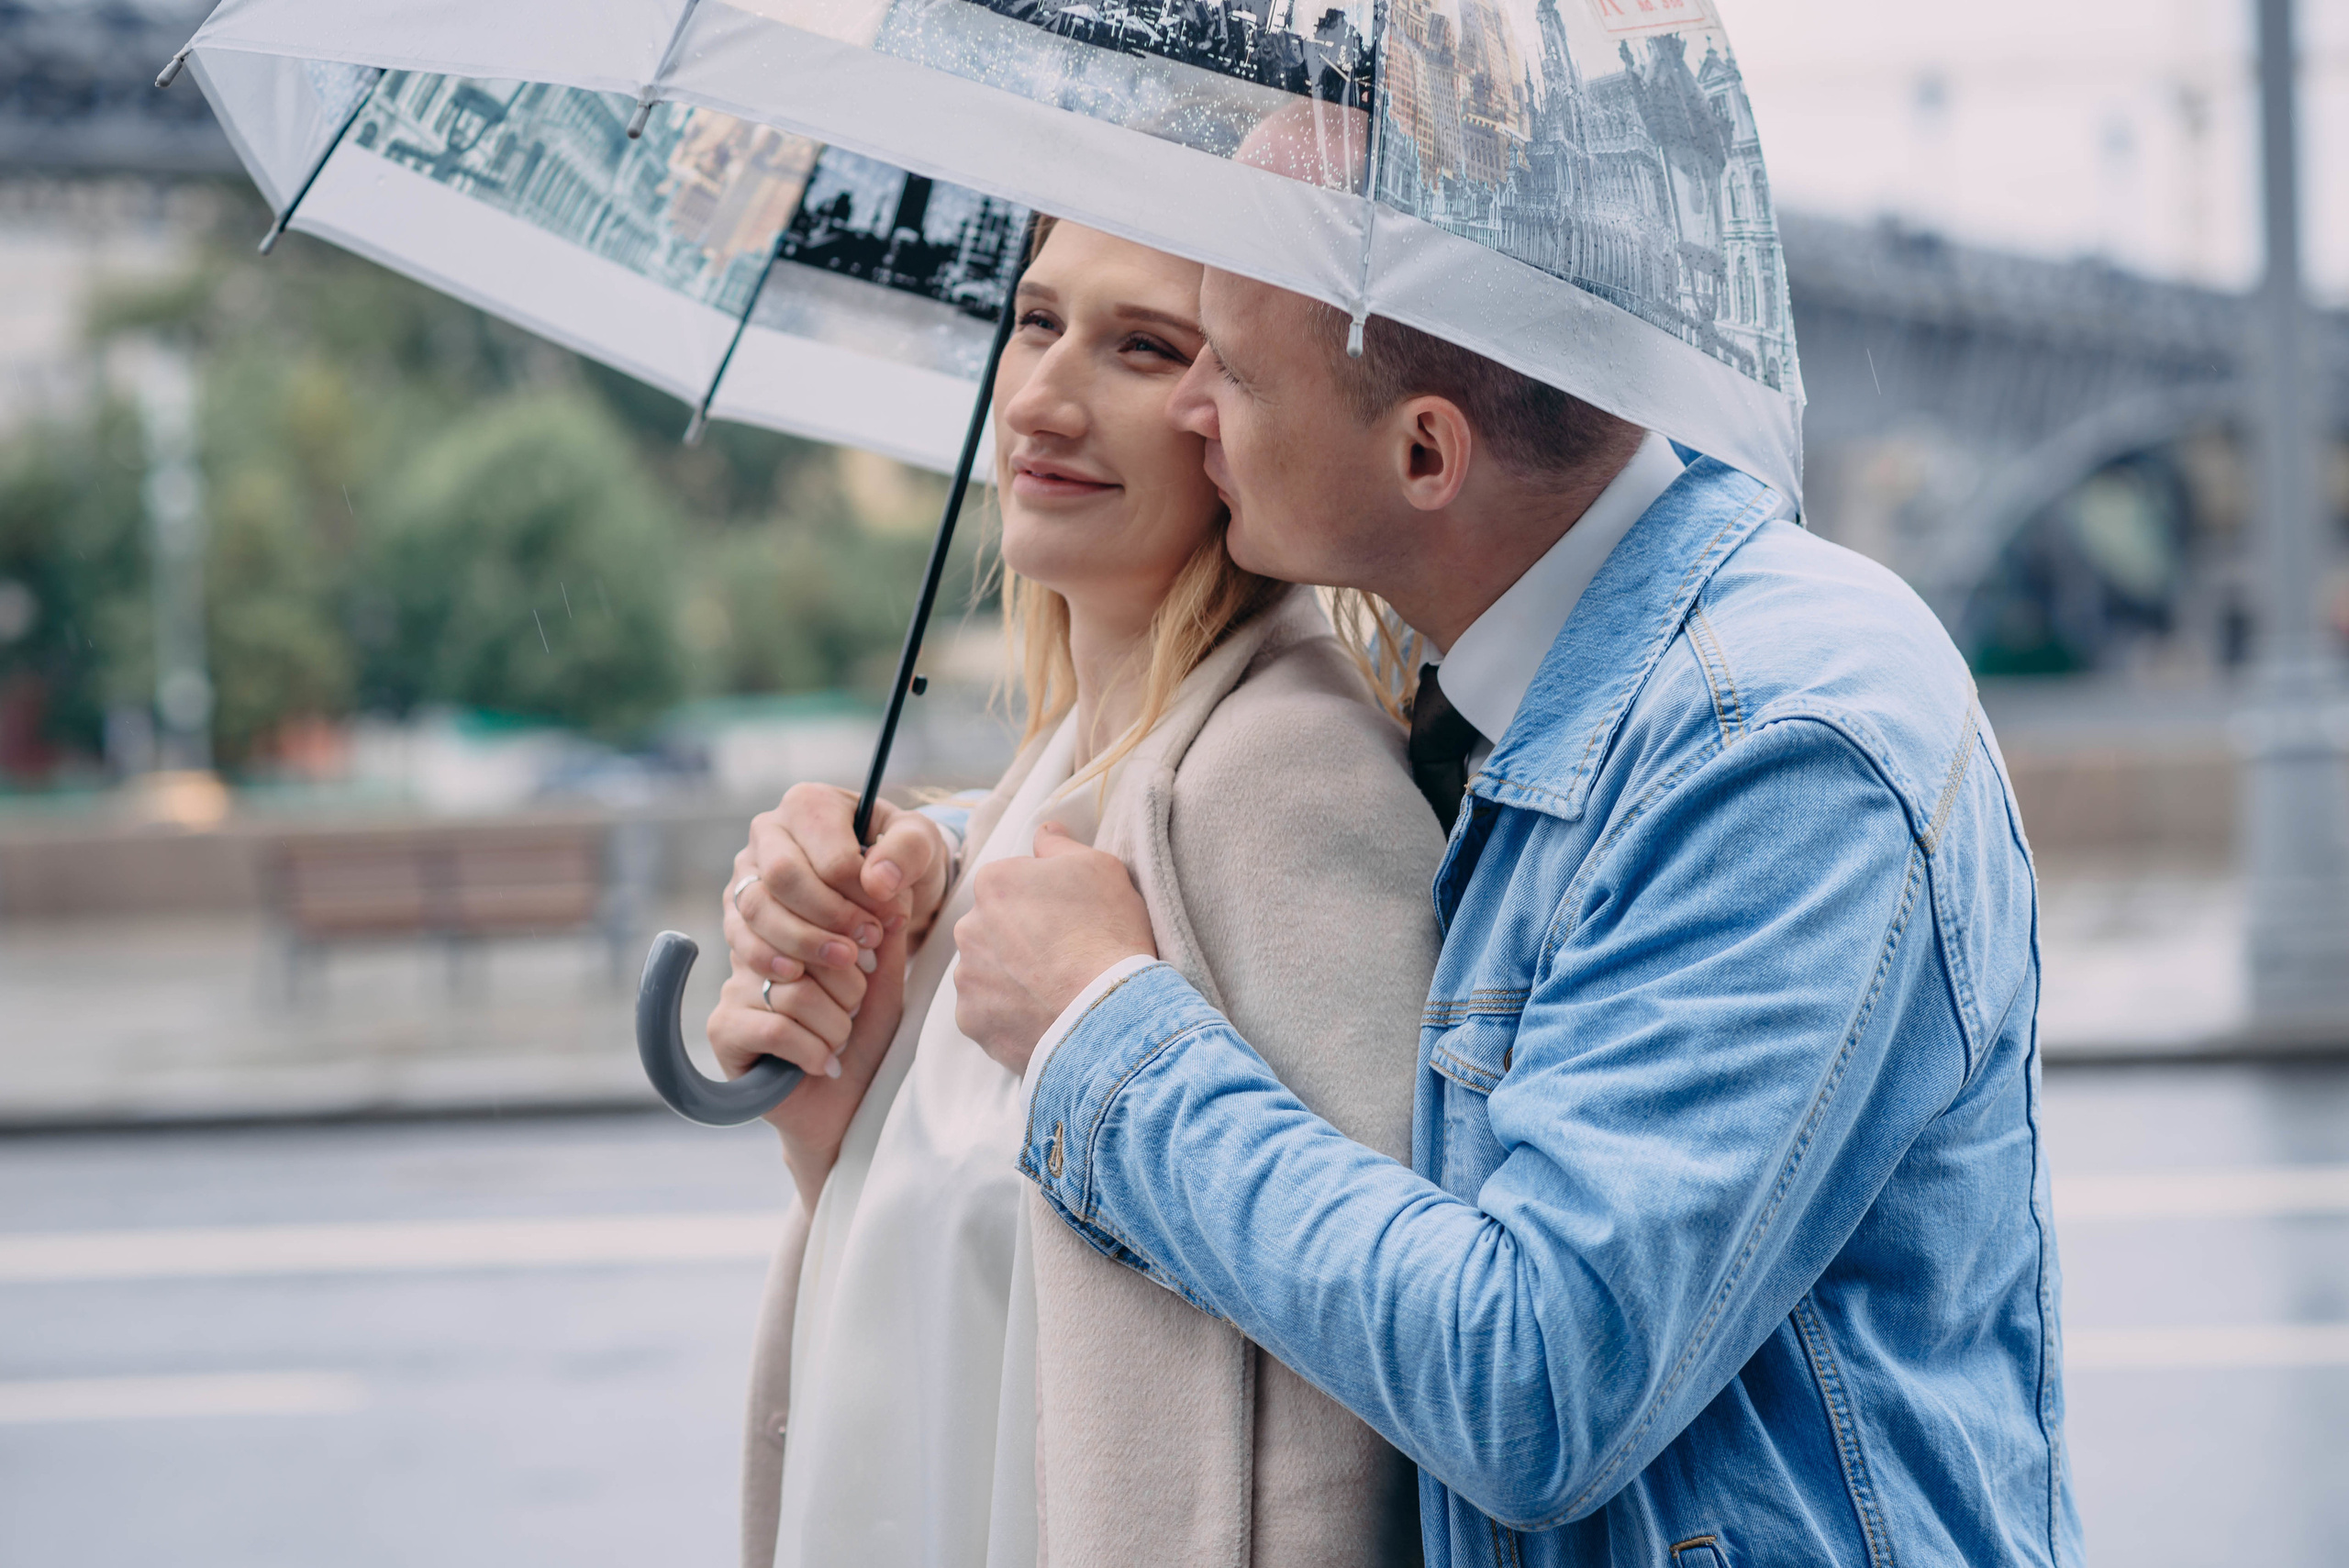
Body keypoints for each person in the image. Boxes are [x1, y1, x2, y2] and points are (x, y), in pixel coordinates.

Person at [755, 271, 2079, 1562]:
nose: (1198, 409)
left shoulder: (1781, 749)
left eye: (1224, 364)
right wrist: (932, 862)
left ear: (1427, 451)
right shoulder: (1536, 699)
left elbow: (1541, 1382)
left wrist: (1101, 1034)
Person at [709, 219, 1441, 1568]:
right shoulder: (1050, 780)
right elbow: (984, 1303)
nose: (1042, 396)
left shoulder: (1286, 778)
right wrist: (840, 1127)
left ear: (1236, 413)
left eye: (1143, 346)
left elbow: (1366, 1387)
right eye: (1036, 321)